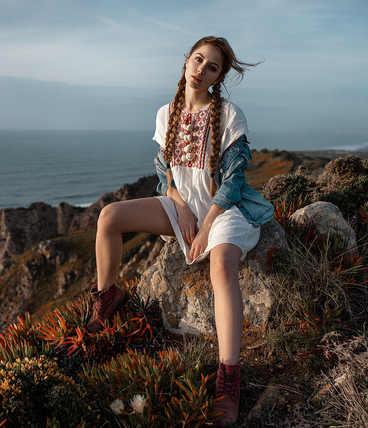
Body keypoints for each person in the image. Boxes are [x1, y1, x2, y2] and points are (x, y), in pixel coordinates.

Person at [86, 36, 274, 426]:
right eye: (198, 60)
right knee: (109, 217)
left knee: (220, 265)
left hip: (226, 210)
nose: (201, 69)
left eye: (212, 67)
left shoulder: (230, 114)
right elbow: (164, 174)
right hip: (182, 207)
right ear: (186, 61)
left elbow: (235, 180)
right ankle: (107, 298)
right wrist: (183, 209)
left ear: (218, 77)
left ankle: (229, 378)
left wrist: (206, 226)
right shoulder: (165, 112)